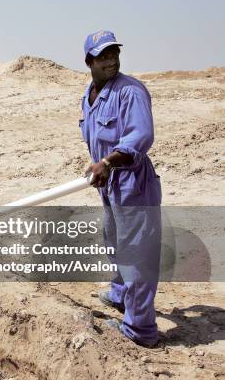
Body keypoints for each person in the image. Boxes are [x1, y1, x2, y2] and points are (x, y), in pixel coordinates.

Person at [79, 30, 162, 347]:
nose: (111, 60)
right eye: (103, 56)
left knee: (137, 254)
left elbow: (140, 137)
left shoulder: (131, 92)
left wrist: (108, 163)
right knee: (113, 239)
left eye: (114, 53)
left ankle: (140, 330)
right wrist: (99, 167)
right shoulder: (91, 93)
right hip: (109, 183)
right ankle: (120, 294)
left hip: (132, 184)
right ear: (89, 61)